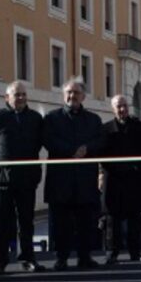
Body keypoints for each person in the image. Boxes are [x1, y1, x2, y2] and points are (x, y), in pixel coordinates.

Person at [43, 80, 104, 270]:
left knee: (86, 222)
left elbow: (101, 140)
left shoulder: (94, 119)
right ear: (63, 95)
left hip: (85, 180)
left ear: (83, 96)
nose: (72, 96)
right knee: (60, 223)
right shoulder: (52, 118)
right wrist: (71, 150)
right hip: (60, 181)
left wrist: (87, 149)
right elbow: (48, 140)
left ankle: (85, 257)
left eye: (76, 92)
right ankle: (61, 258)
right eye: (69, 92)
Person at [0, 81, 45, 273]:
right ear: (7, 97)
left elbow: (39, 143)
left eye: (23, 95)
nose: (20, 98)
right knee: (1, 222)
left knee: (27, 220)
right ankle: (0, 261)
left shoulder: (36, 118)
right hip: (1, 180)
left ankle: (28, 257)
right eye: (16, 95)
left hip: (27, 179)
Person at [101, 95, 141, 264]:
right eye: (118, 106)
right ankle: (112, 253)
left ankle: (135, 252)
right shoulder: (105, 129)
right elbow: (102, 155)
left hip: (133, 179)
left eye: (124, 106)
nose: (122, 109)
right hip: (113, 179)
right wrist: (116, 169)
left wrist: (134, 168)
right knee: (111, 220)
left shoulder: (140, 127)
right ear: (112, 108)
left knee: (134, 219)